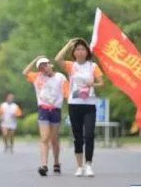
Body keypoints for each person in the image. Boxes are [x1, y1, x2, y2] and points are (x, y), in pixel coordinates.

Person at [55, 38, 104, 177]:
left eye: (83, 49)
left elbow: (101, 83)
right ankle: (79, 166)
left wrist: (91, 85)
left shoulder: (92, 66)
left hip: (89, 105)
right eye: (77, 49)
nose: (80, 51)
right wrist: (68, 44)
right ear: (74, 52)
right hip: (74, 104)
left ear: (87, 51)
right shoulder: (71, 66)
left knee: (89, 135)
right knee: (78, 137)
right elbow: (58, 59)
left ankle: (88, 165)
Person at [23, 56, 68, 176]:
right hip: (43, 109)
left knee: (54, 140)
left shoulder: (60, 77)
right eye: (41, 67)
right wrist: (35, 59)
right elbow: (25, 72)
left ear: (50, 64)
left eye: (45, 65)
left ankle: (56, 162)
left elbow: (67, 94)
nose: (44, 68)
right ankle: (44, 165)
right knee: (44, 138)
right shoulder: (37, 77)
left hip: (56, 110)